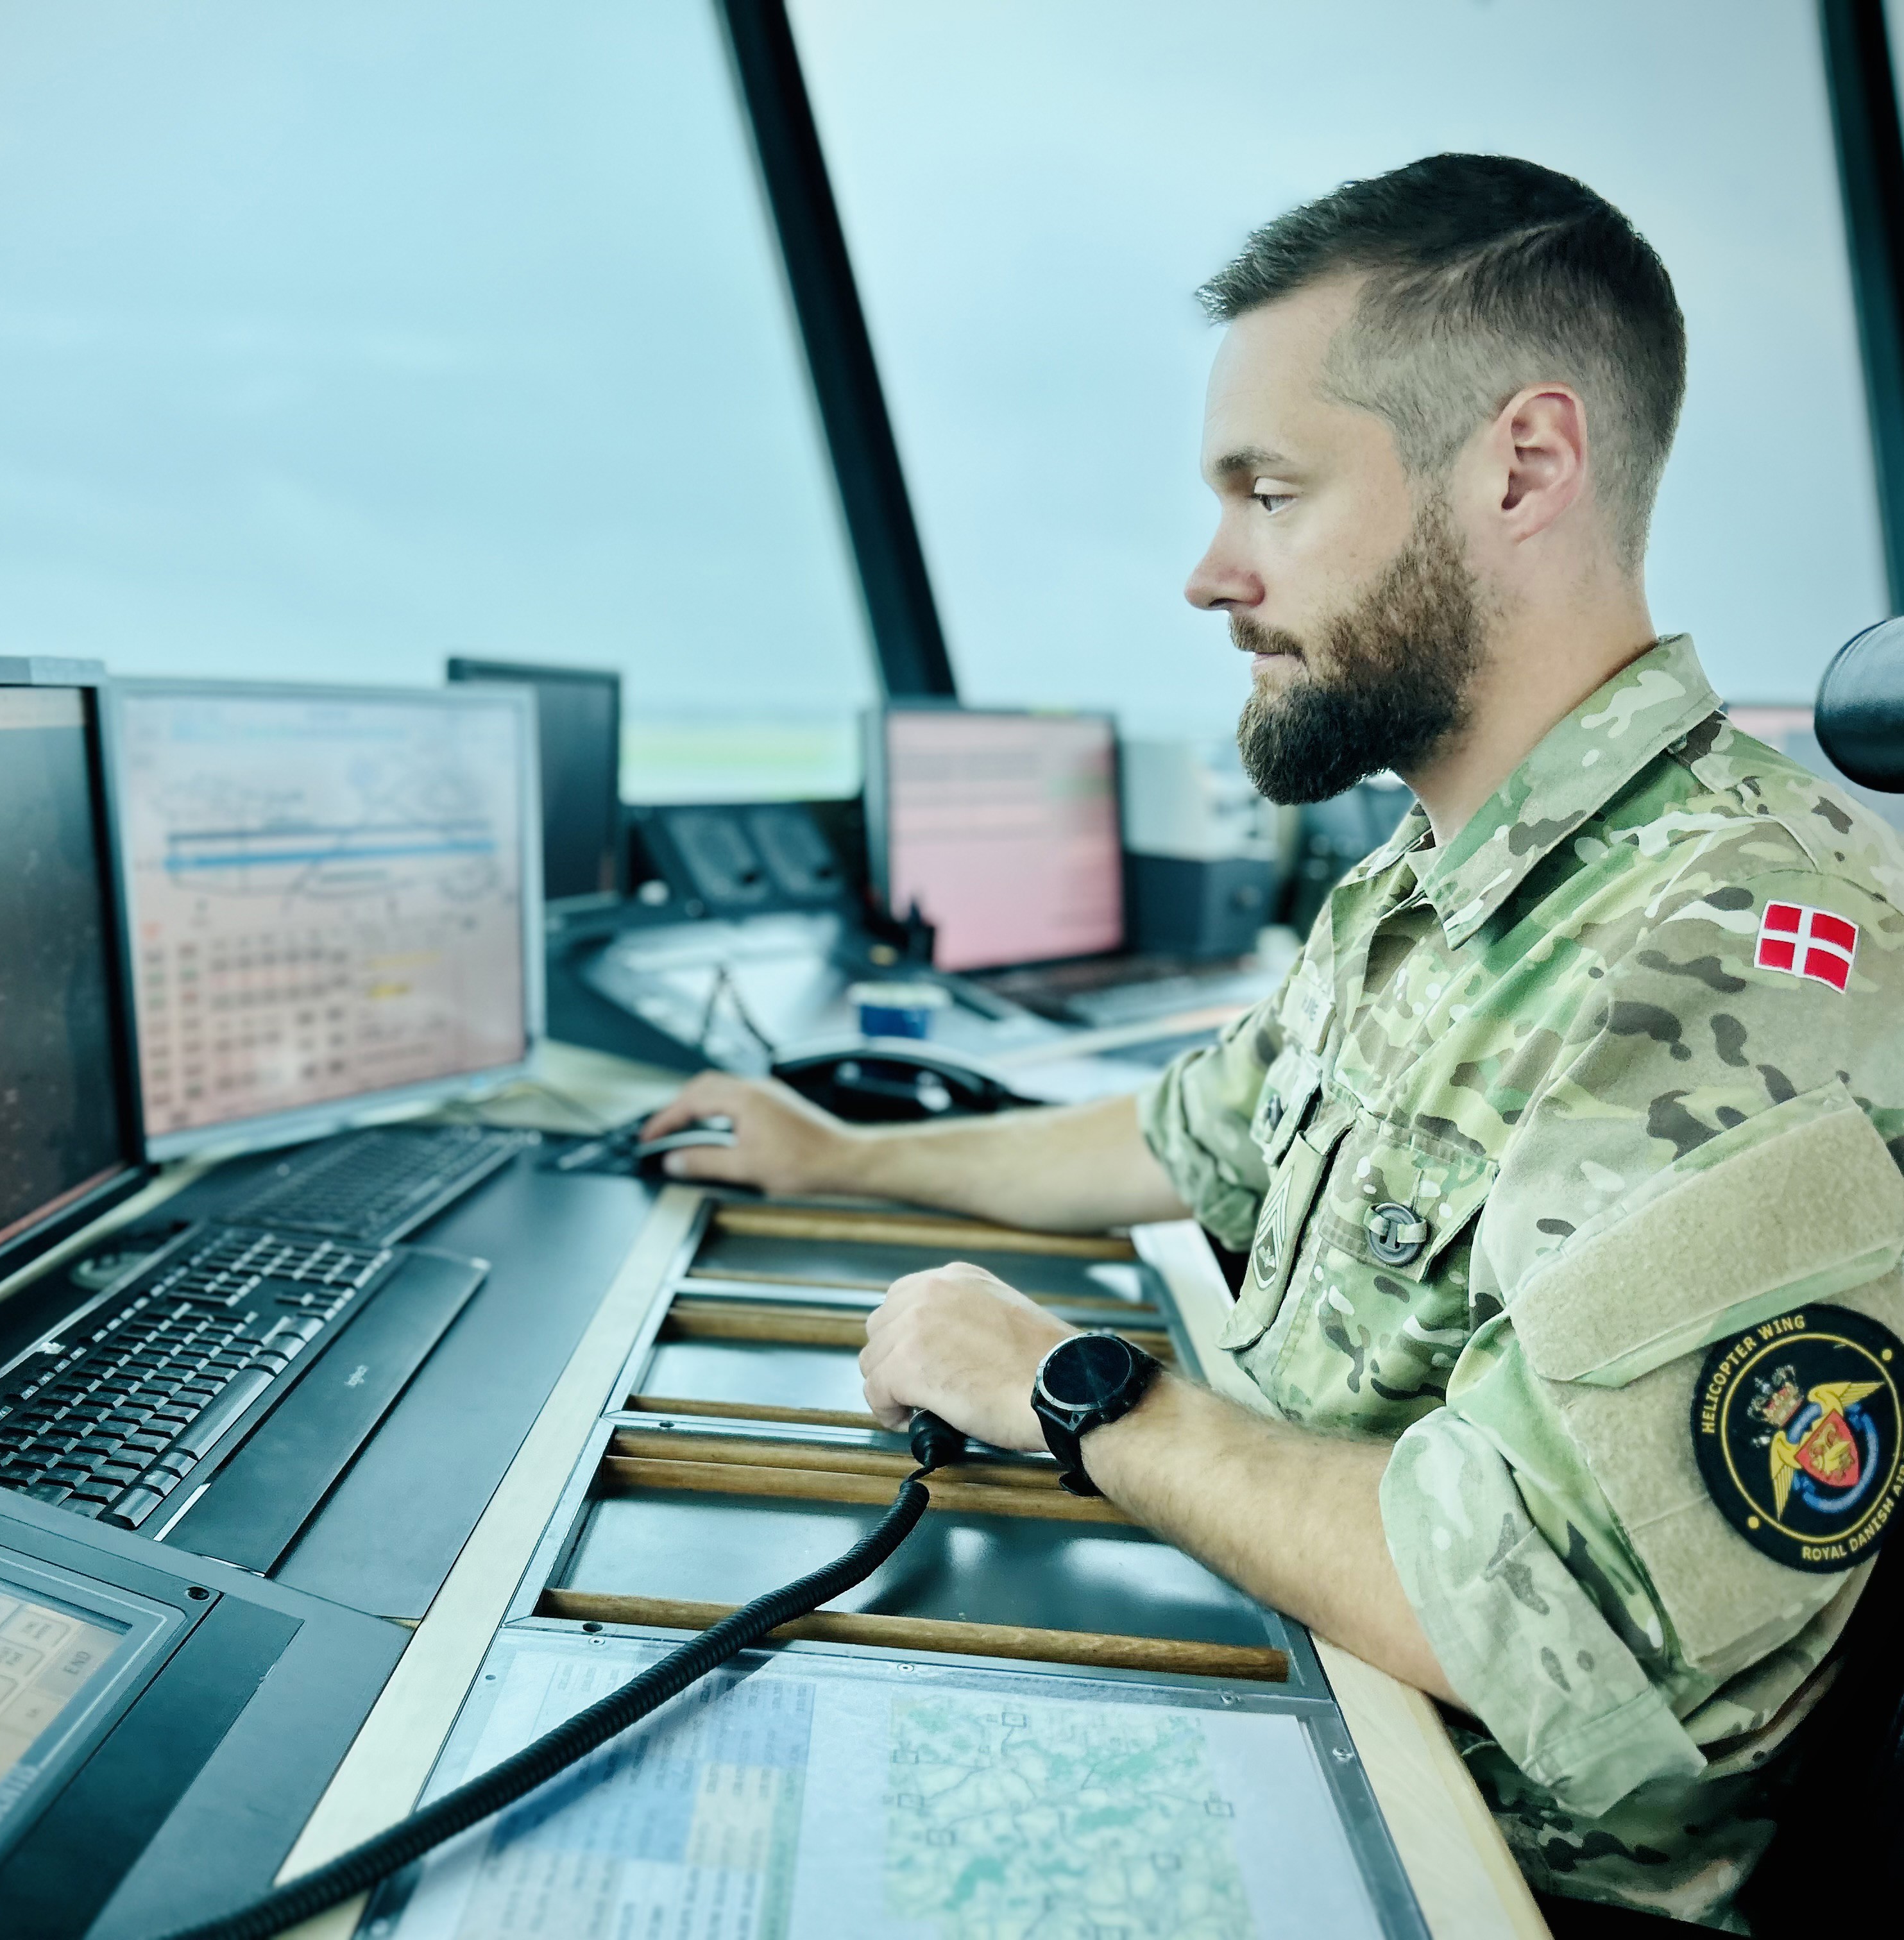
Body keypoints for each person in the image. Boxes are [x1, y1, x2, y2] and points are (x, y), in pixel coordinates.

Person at [642, 154, 1904, 1930]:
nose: (1209, 572)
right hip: (1299, 1668)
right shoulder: (1436, 876)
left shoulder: (1735, 948)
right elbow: (1182, 1134)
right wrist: (845, 1159)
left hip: (1486, 1866)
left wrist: (1067, 1388)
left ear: (1522, 468)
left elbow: (1529, 1616)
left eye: (1271, 491)